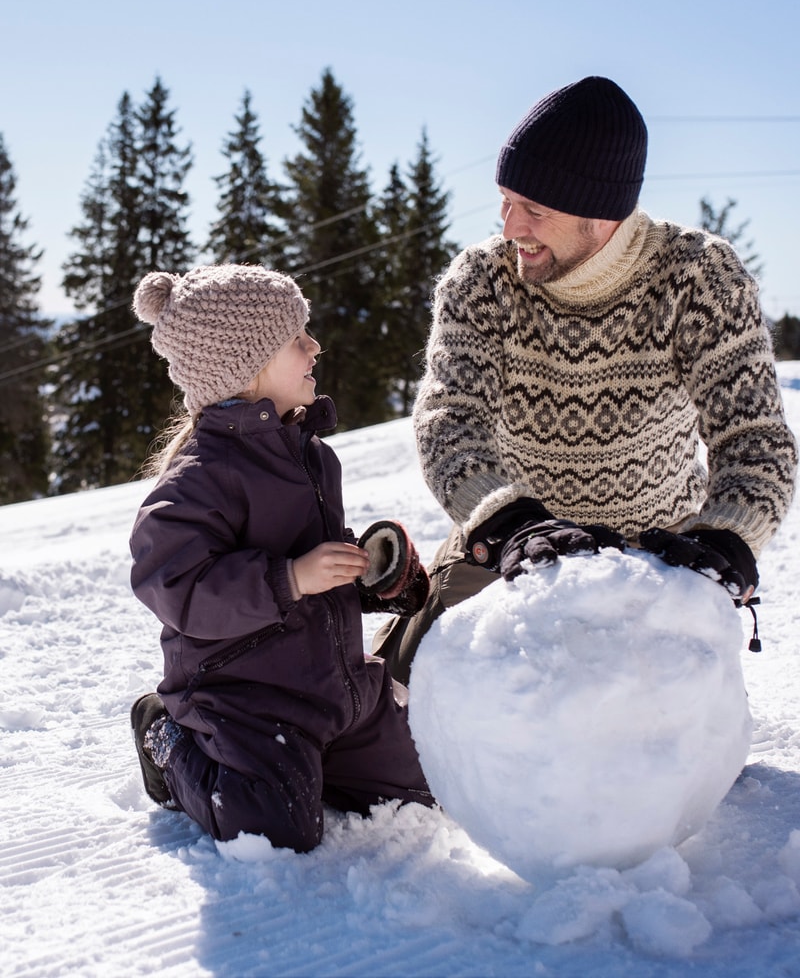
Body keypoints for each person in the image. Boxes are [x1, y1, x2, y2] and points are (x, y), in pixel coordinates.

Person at [374, 75, 798, 686]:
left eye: (534, 210)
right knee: (394, 724)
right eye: (505, 199)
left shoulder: (699, 279)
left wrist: (726, 537)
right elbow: (449, 423)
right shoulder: (484, 280)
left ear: (602, 216)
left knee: (630, 751)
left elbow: (754, 439)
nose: (509, 226)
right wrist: (508, 522)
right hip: (510, 547)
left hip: (659, 560)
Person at [128, 263, 433, 852]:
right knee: (274, 826)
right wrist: (291, 576)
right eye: (298, 339)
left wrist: (366, 578)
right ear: (249, 366)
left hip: (336, 688)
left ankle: (322, 762)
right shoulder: (200, 478)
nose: (314, 346)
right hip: (249, 700)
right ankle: (167, 743)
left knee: (431, 780)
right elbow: (173, 584)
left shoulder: (313, 456)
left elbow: (318, 575)